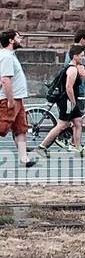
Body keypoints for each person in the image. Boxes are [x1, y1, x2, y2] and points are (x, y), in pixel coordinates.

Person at [36, 44, 85, 157]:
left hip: (69, 101)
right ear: (75, 56)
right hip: (67, 101)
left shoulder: (73, 68)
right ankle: (42, 147)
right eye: (81, 56)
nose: (82, 58)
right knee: (62, 125)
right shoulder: (72, 70)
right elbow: (68, 87)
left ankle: (76, 147)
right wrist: (73, 102)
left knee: (78, 122)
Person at [0, 30, 37, 169]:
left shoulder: (10, 56)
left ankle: (24, 159)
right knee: (2, 128)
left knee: (20, 129)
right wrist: (10, 100)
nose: (20, 39)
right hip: (10, 99)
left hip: (18, 99)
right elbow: (5, 80)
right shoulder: (6, 57)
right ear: (11, 40)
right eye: (18, 37)